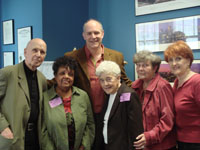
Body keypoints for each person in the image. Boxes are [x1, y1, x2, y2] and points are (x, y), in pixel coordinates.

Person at [64, 19, 132, 149]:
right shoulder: (71, 56)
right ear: (83, 35)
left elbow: (124, 80)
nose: (93, 37)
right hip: (84, 114)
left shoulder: (116, 56)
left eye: (96, 33)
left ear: (102, 34)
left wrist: (146, 84)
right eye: (89, 33)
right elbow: (63, 80)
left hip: (110, 113)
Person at [0, 38, 47, 150]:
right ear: (25, 52)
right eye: (34, 50)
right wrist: (3, 127)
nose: (38, 54)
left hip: (35, 138)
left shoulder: (42, 79)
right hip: (13, 135)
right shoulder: (8, 73)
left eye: (42, 52)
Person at [42, 56, 95, 150]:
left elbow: (90, 125)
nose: (66, 77)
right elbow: (42, 130)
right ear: (55, 75)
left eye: (70, 74)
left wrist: (84, 146)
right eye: (62, 73)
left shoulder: (83, 96)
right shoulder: (45, 98)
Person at [132, 51, 176, 150]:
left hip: (162, 145)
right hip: (142, 145)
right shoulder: (134, 86)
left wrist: (149, 137)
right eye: (138, 65)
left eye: (145, 65)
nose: (140, 69)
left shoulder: (163, 86)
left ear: (155, 68)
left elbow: (167, 120)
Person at [95, 60, 143, 150]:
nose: (105, 84)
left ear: (118, 77)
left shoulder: (129, 95)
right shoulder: (109, 94)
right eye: (101, 80)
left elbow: (136, 130)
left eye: (109, 79)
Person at [164, 40, 200, 150]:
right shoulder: (176, 83)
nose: (174, 63)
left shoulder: (197, 82)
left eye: (178, 59)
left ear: (188, 60)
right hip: (181, 140)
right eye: (171, 60)